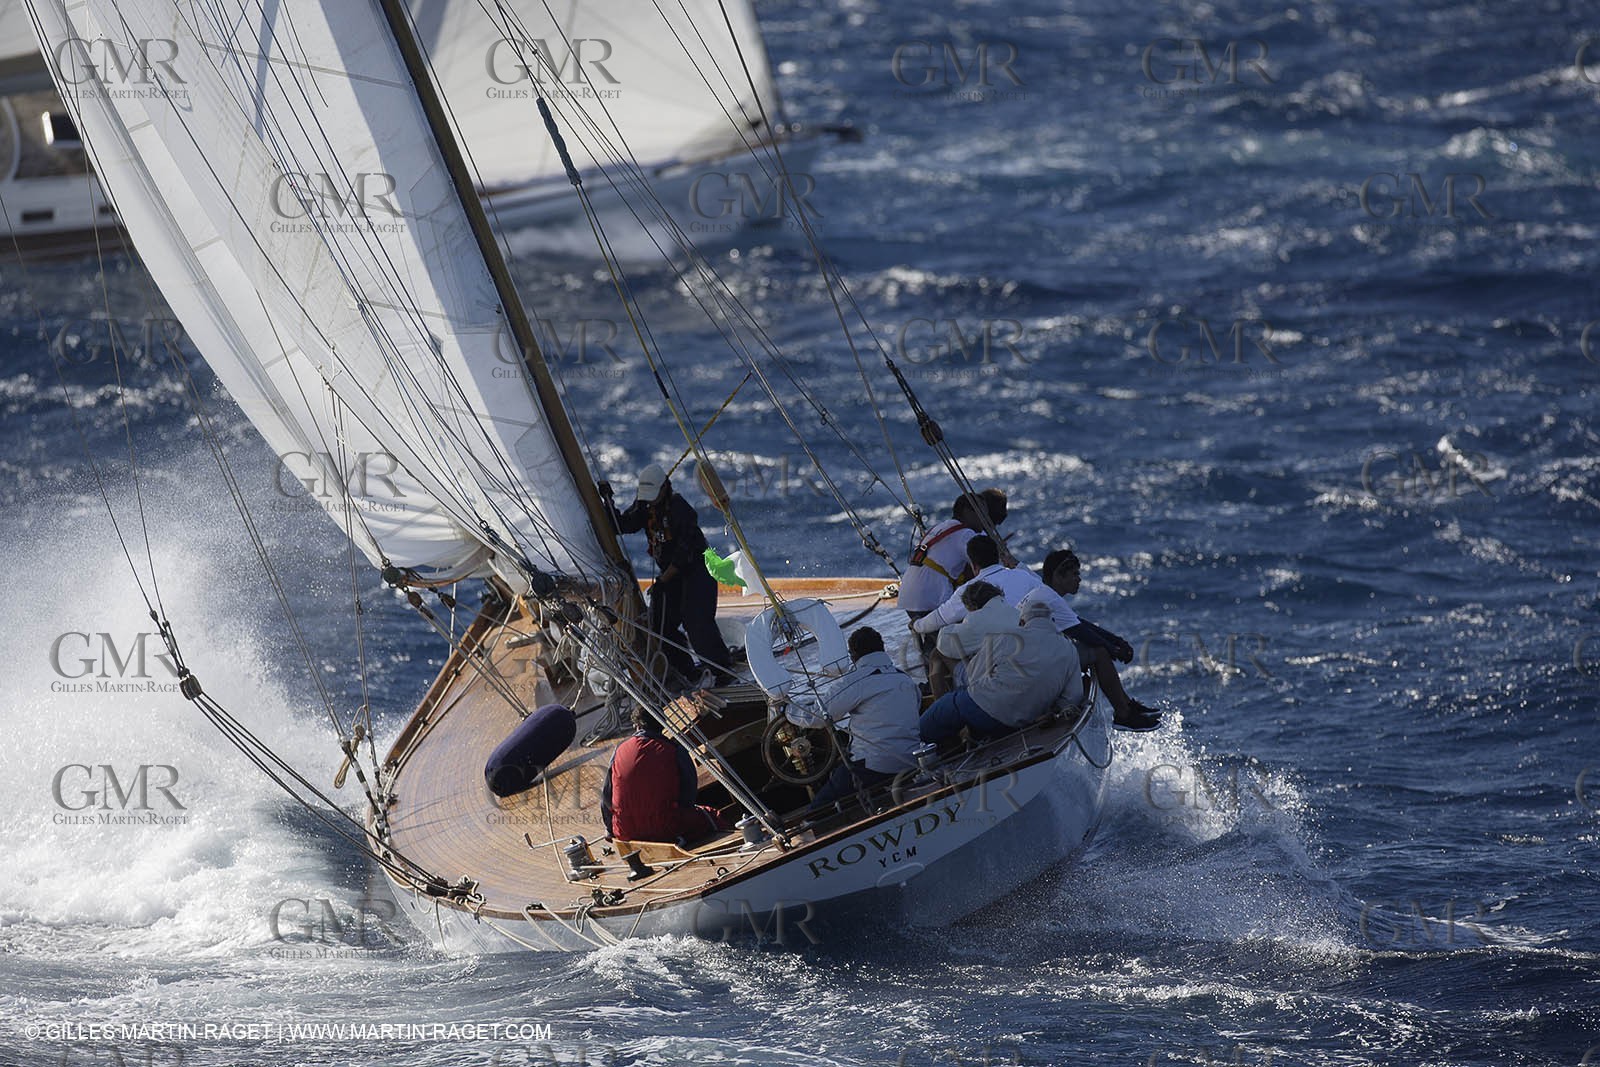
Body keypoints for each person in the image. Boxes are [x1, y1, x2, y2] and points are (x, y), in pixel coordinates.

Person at [600, 463, 735, 688]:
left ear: (665, 488)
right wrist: (607, 501)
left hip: (696, 572)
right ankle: (686, 671)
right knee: (660, 624)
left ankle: (722, 670)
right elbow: (623, 525)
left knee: (697, 623)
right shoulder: (644, 507)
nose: (650, 500)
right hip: (669, 577)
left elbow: (685, 553)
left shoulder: (680, 509)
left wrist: (662, 581)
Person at [918, 584, 1084, 744]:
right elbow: (1073, 697)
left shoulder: (1007, 637)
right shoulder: (1069, 649)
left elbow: (972, 677)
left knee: (940, 713)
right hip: (1026, 718)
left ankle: (926, 744)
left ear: (1022, 622)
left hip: (985, 710)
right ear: (1051, 620)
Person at [1021, 549, 1162, 732]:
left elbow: (1079, 623)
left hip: (1031, 660)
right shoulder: (1049, 598)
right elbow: (1080, 632)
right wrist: (1114, 650)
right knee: (1099, 652)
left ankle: (1127, 704)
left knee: (1096, 647)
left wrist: (1116, 641)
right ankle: (1123, 714)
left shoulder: (1042, 593)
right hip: (1035, 666)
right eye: (1074, 574)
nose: (1079, 579)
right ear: (1057, 576)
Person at [783, 626, 920, 811]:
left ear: (853, 654)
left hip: (874, 767)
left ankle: (813, 825)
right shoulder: (905, 679)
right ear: (882, 648)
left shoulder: (856, 681)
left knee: (818, 809)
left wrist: (786, 710)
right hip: (911, 760)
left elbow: (818, 717)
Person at [899, 489, 1007, 696]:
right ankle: (962, 692)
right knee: (950, 646)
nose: (986, 519)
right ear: (966, 511)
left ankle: (934, 690)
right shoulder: (965, 534)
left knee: (932, 648)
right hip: (929, 597)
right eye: (980, 512)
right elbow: (983, 559)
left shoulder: (943, 527)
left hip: (911, 595)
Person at [600, 707, 728, 844]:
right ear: (663, 725)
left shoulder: (619, 751)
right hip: (665, 830)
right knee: (712, 817)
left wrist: (609, 829)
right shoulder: (675, 750)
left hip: (625, 831)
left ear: (636, 726)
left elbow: (606, 797)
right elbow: (688, 795)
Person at [910, 534, 1044, 635]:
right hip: (1034, 638)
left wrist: (916, 625)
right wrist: (1019, 565)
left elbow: (939, 618)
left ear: (973, 565)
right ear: (997, 556)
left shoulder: (969, 591)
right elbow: (1045, 590)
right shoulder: (1023, 575)